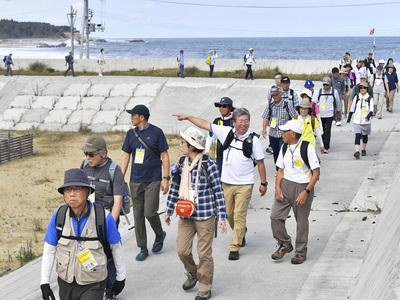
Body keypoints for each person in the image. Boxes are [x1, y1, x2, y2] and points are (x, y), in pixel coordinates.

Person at [173, 108, 267, 261]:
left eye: (246, 121)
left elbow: (261, 163)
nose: (244, 124)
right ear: (234, 122)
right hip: (227, 183)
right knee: (229, 214)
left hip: (245, 184)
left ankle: (235, 246)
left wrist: (263, 183)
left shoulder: (254, 140)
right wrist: (188, 117)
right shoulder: (226, 132)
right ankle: (240, 231)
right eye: (241, 121)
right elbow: (205, 124)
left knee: (239, 214)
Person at [40, 168, 126, 300]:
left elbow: (116, 247)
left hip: (94, 283)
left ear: (88, 192)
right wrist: (44, 283)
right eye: (68, 190)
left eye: (77, 189)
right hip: (65, 282)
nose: (72, 194)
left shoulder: (104, 217)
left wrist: (121, 277)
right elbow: (49, 250)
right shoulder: (58, 217)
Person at [165, 127, 227, 300]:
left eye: (183, 142)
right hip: (185, 215)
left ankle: (205, 286)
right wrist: (169, 210)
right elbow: (175, 188)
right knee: (182, 250)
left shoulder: (209, 164)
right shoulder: (181, 163)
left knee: (204, 253)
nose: (180, 145)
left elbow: (218, 191)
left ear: (192, 145)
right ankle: (193, 273)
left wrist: (221, 216)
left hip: (205, 215)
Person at [120, 104, 170, 261]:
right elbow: (126, 156)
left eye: (133, 115)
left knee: (149, 212)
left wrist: (166, 178)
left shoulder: (157, 132)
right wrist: (120, 179)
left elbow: (165, 156)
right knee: (138, 215)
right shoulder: (130, 134)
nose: (131, 118)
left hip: (153, 180)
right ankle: (142, 247)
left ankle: (159, 233)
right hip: (136, 180)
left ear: (141, 117)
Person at [79, 135, 125, 299]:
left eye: (91, 154)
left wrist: (109, 225)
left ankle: (111, 291)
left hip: (106, 217)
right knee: (86, 251)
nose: (87, 157)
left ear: (103, 154)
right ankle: (92, 285)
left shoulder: (114, 170)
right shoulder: (84, 166)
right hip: (86, 218)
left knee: (108, 254)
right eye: (86, 153)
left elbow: (118, 201)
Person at [270, 119, 320, 264]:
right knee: (275, 216)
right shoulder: (284, 148)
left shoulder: (307, 148)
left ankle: (300, 252)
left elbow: (316, 173)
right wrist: (277, 188)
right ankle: (285, 243)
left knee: (301, 221)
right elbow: (280, 170)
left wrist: (305, 192)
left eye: (285, 131)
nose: (282, 134)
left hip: (302, 186)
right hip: (285, 185)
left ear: (292, 134)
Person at [262, 86, 298, 170]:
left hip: (284, 135)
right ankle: (278, 169)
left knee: (283, 152)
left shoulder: (287, 104)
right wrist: (264, 130)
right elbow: (265, 117)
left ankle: (284, 169)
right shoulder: (270, 106)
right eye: (273, 95)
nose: (275, 97)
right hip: (273, 134)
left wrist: (293, 129)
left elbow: (295, 117)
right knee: (276, 153)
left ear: (281, 94)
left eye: (276, 94)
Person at [205, 97, 235, 172]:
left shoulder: (235, 121)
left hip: (233, 156)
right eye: (219, 106)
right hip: (219, 156)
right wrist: (207, 151)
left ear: (230, 108)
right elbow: (210, 136)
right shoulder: (216, 121)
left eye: (224, 106)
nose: (221, 108)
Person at [312, 77, 340, 153]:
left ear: (330, 84)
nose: (325, 86)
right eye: (324, 85)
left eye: (327, 85)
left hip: (329, 114)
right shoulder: (319, 92)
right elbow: (314, 102)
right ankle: (323, 143)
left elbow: (337, 101)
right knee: (322, 130)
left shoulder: (334, 92)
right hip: (320, 115)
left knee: (328, 130)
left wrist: (338, 110)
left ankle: (326, 145)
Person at [347, 82, 374, 159]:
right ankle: (357, 151)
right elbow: (352, 109)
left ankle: (363, 149)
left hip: (366, 121)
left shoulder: (370, 98)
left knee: (365, 136)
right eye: (361, 88)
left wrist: (368, 117)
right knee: (357, 135)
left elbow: (371, 109)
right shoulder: (357, 97)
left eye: (364, 88)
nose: (363, 89)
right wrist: (349, 118)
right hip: (357, 120)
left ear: (367, 89)